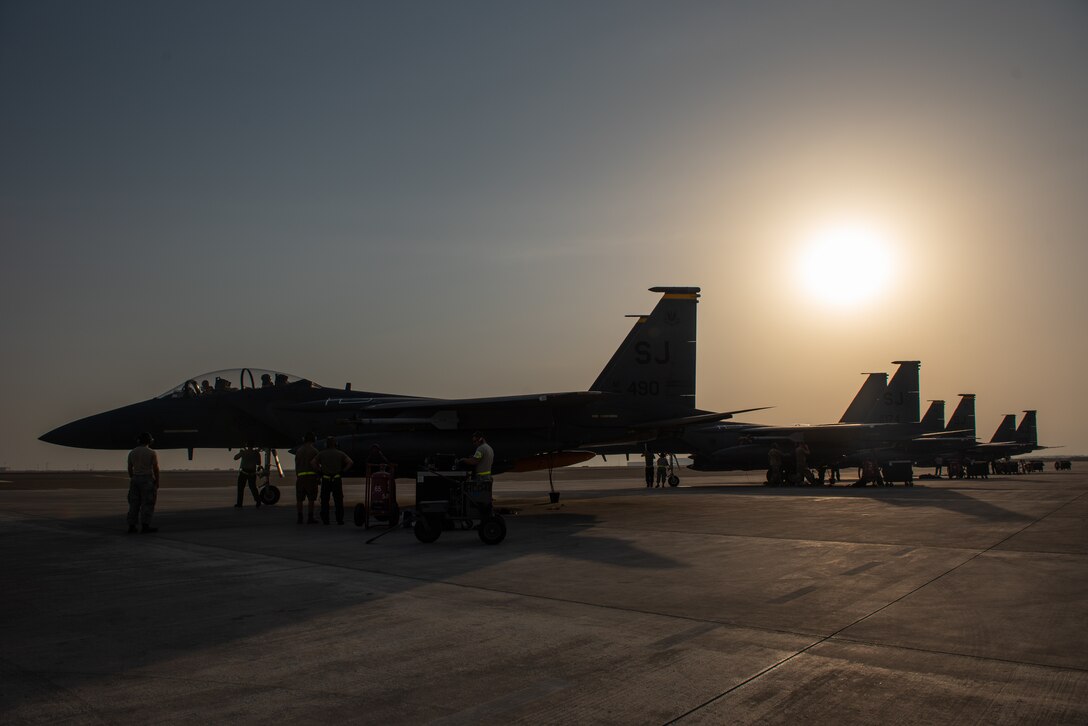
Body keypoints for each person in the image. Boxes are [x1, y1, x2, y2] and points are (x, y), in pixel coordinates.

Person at [313, 437, 353, 525]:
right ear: (336, 444)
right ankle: (339, 520)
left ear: (326, 444)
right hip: (337, 479)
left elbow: (313, 462)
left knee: (324, 500)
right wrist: (343, 471)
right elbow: (350, 462)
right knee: (338, 500)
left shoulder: (322, 454)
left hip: (326, 479)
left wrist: (319, 471)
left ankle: (325, 520)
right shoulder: (340, 453)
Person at [127, 432, 160, 533]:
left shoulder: (132, 452)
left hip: (135, 479)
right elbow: (155, 468)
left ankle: (132, 526)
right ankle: (145, 526)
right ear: (149, 441)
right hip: (147, 479)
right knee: (147, 503)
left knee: (134, 503)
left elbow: (129, 467)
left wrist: (133, 477)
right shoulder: (151, 452)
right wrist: (157, 481)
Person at [294, 432, 320, 524]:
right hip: (311, 478)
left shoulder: (299, 451)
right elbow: (316, 465)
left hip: (300, 478)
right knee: (311, 499)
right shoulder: (314, 451)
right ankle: (310, 517)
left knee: (299, 499)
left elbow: (296, 464)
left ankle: (300, 518)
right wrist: (318, 475)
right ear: (313, 440)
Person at [234, 442, 262, 508]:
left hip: (243, 473)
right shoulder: (256, 453)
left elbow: (235, 458)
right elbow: (258, 463)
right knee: (253, 488)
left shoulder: (244, 452)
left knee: (240, 489)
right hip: (252, 473)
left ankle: (239, 504)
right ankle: (258, 501)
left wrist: (241, 452)